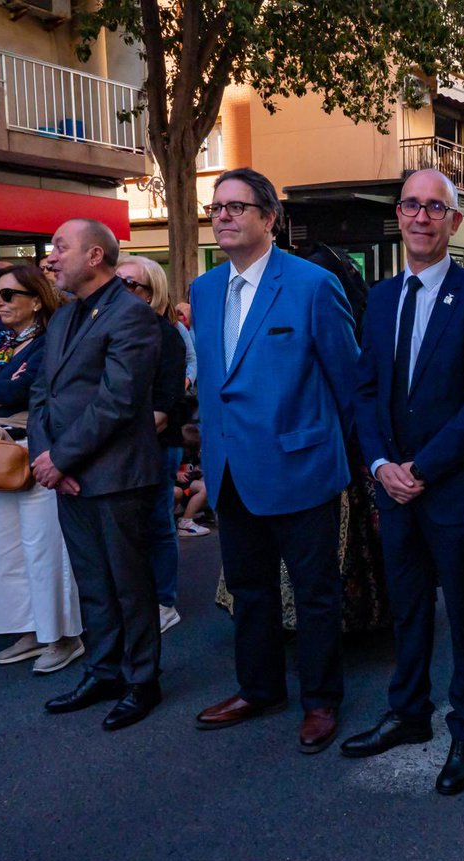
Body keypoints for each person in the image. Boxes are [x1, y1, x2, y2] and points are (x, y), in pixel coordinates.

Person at [344, 169, 464, 797]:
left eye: (434, 207)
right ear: (399, 214)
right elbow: (367, 391)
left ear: (454, 221)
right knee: (407, 607)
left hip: (454, 488)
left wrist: (422, 468)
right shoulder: (383, 297)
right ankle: (408, 713)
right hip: (393, 486)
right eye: (410, 205)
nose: (421, 217)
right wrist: (382, 465)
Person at [191, 169, 360, 755]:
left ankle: (320, 700)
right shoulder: (205, 289)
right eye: (216, 207)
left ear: (270, 218)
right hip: (231, 470)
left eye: (237, 207)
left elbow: (347, 379)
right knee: (249, 588)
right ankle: (258, 689)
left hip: (302, 467)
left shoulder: (312, 284)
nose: (223, 216)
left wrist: (360, 461)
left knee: (314, 593)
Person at [29, 218, 163, 731]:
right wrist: (50, 462)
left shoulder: (132, 316)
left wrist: (62, 460)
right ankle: (103, 670)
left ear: (94, 257)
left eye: (60, 247)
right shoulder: (63, 319)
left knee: (130, 583)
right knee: (92, 581)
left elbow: (119, 401)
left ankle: (143, 681)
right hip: (68, 474)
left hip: (116, 475)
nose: (50, 257)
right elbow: (43, 392)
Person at [0, 265, 83, 673]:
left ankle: (62, 635)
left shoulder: (51, 340)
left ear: (36, 300)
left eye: (8, 295)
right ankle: (28, 629)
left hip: (35, 451)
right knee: (3, 550)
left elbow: (20, 389)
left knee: (44, 548)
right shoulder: (3, 341)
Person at [117, 255, 188, 634]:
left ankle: (164, 601)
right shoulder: (112, 331)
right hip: (120, 447)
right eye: (118, 283)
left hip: (156, 444)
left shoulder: (166, 334)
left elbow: (164, 407)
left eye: (132, 284)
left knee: (158, 522)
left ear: (152, 292)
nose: (124, 291)